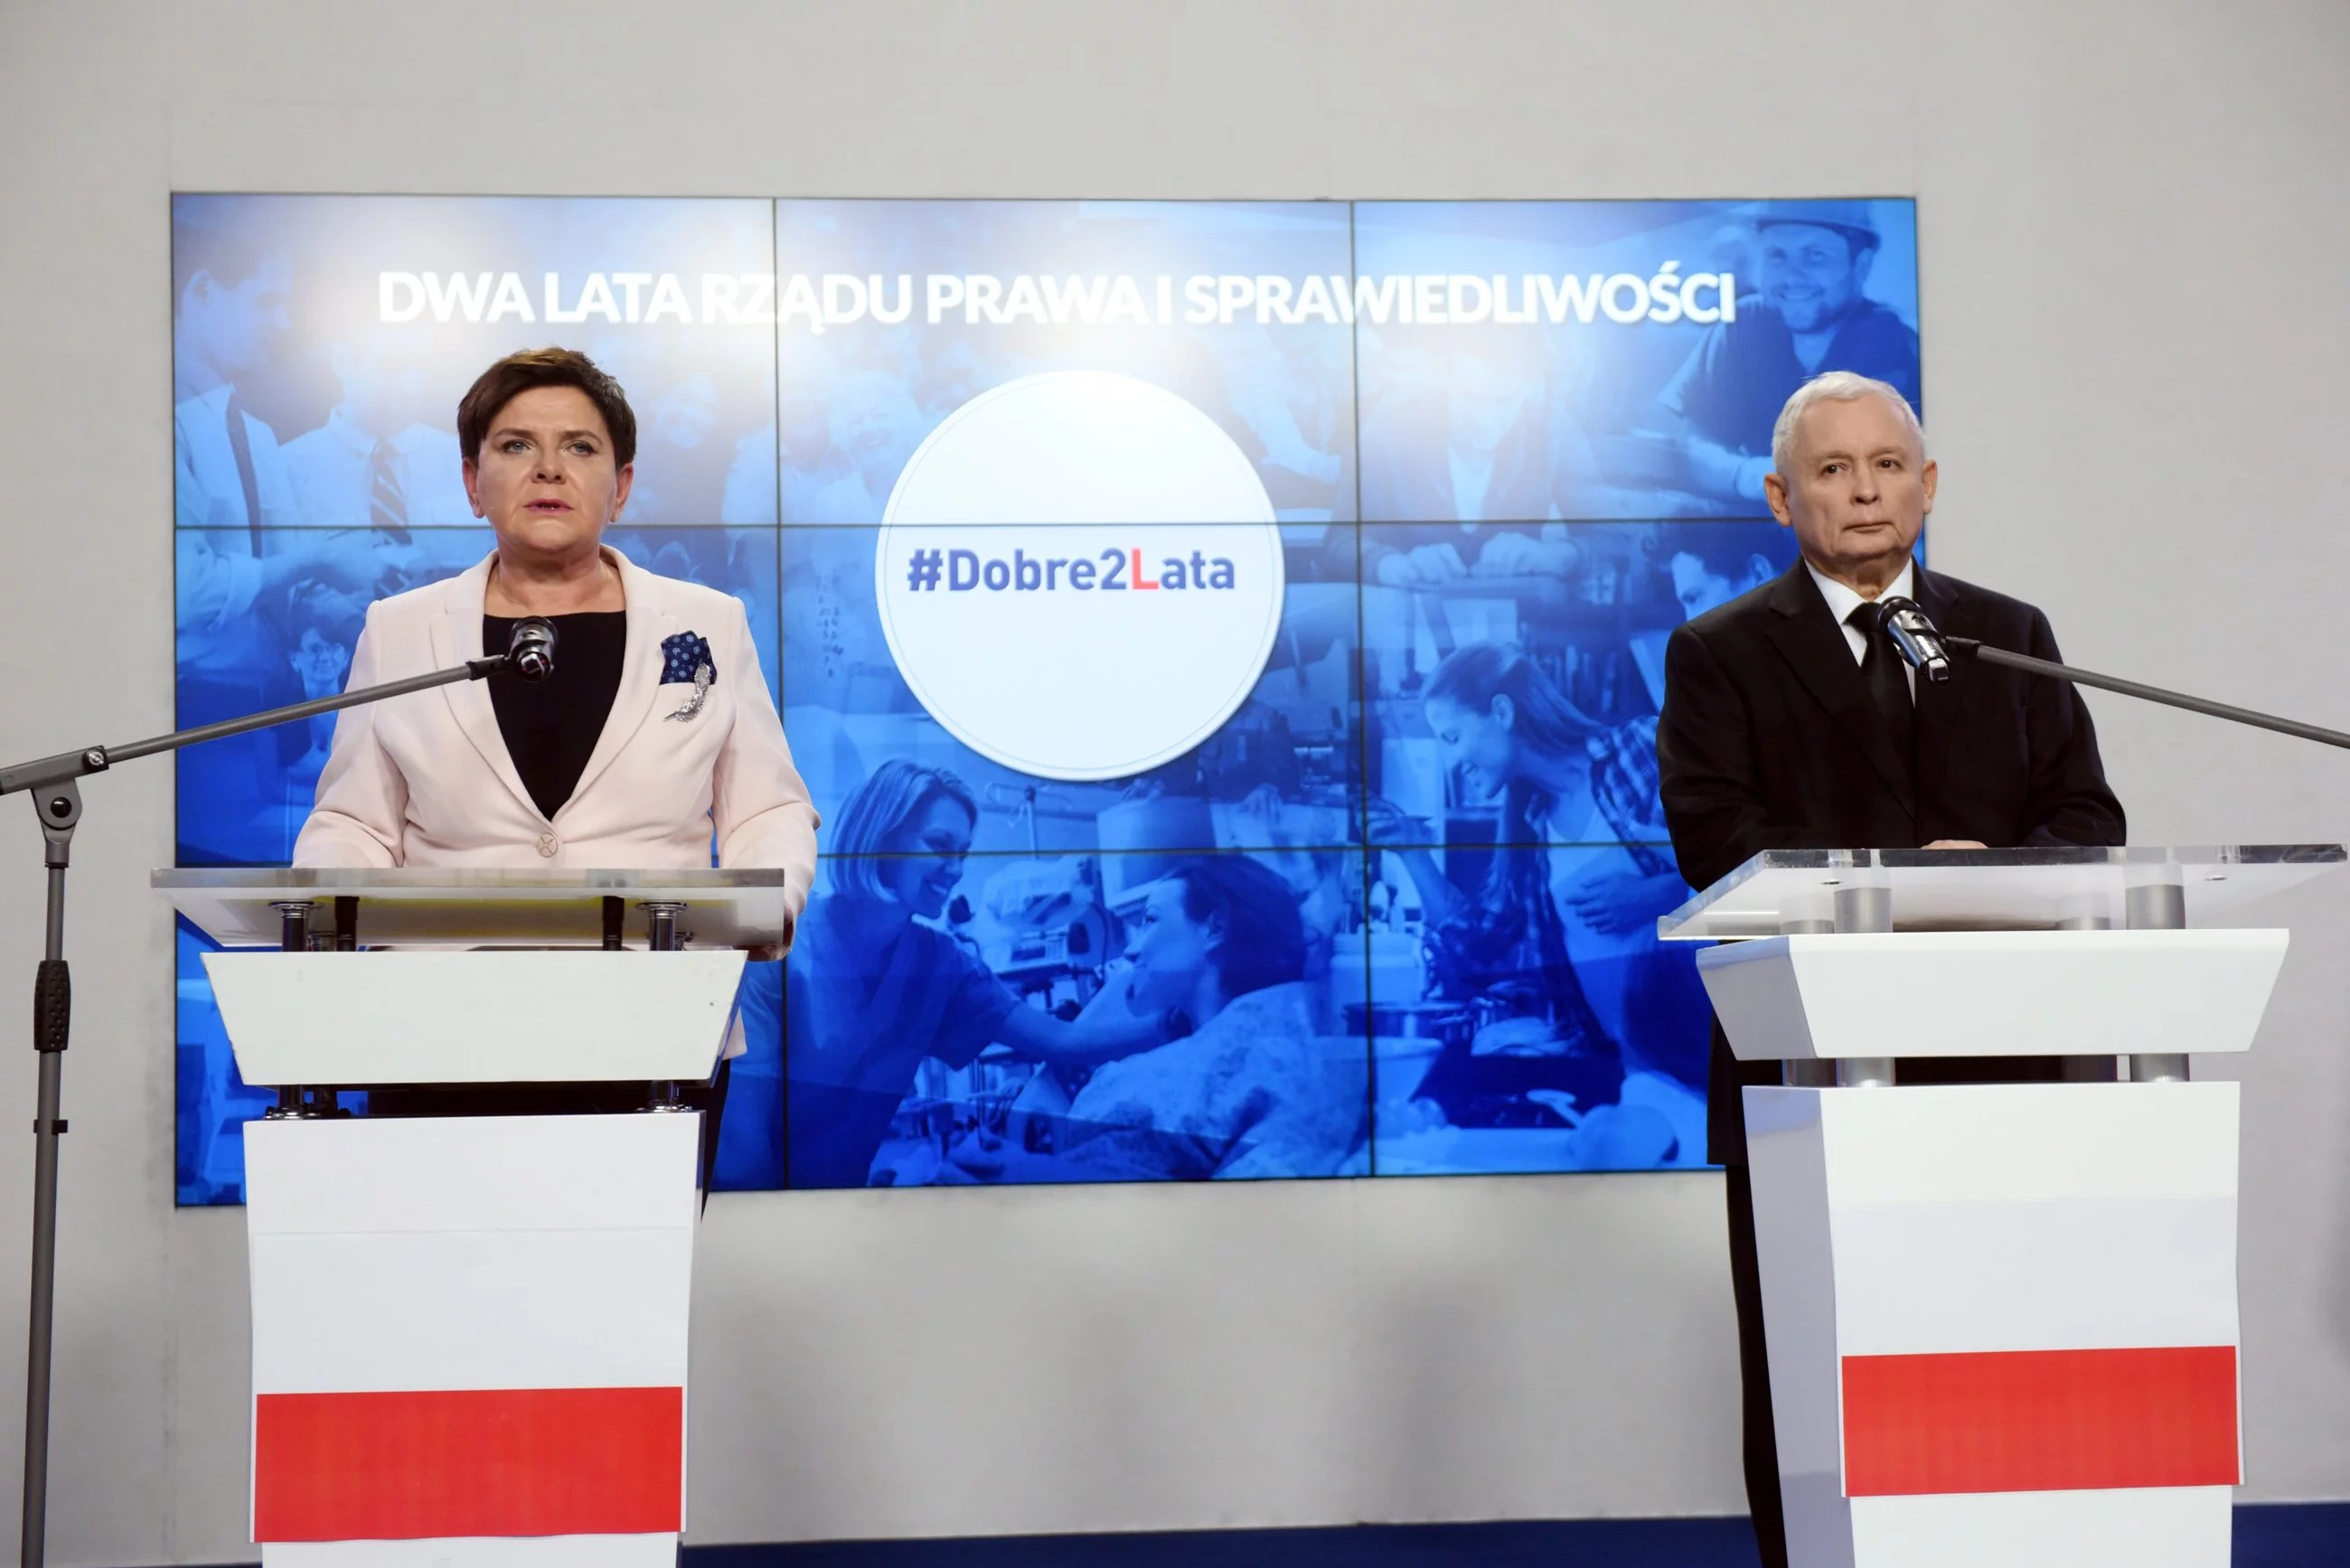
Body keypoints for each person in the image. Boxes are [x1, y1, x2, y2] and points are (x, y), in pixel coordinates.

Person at [1656, 371, 2124, 1568]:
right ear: (1779, 497)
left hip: (2009, 1070)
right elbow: (1718, 842)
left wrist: (1997, 870)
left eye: (1885, 465)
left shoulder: (2006, 635)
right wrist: (1907, 881)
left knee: (2001, 1365)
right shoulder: (1721, 653)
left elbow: (2087, 818)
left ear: (1929, 484)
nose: (1864, 490)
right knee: (1818, 1372)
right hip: (1811, 1072)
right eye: (1831, 469)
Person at [785, 761, 1175, 1188]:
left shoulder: (942, 964)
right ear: (881, 835)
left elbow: (1061, 1041)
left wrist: (1177, 1020)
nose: (955, 870)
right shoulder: (780, 923)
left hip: (837, 1200)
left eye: (963, 854)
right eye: (939, 845)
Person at [1048, 857, 1365, 1180]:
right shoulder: (1297, 1032)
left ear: (1215, 927)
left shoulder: (1162, 1082)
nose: (1131, 950)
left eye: (1150, 919)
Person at [1659, 203, 1922, 507]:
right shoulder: (1744, 325)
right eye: (1777, 256)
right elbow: (1694, 442)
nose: (1792, 276)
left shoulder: (1897, 346)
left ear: (1860, 266)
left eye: (1815, 257)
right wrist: (1750, 477)